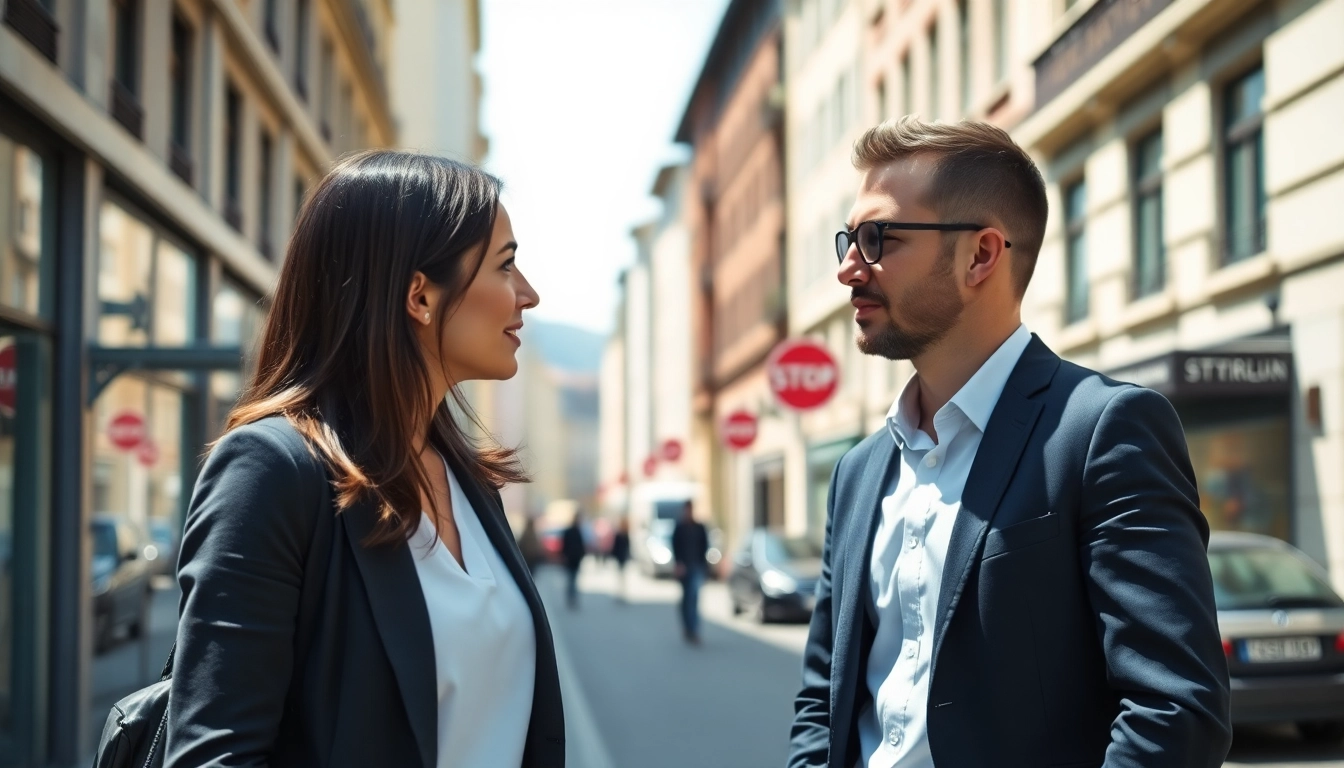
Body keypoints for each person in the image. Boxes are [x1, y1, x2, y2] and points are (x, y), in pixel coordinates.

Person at [787, 118, 1230, 768]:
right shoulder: (858, 471)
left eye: (878, 238)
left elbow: (1175, 710)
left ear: (981, 255)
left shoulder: (1103, 430)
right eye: (848, 240)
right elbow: (823, 698)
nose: (849, 269)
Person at [164, 151, 564, 767]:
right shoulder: (270, 472)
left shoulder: (469, 480)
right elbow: (215, 754)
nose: (528, 295)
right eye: (505, 266)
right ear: (420, 296)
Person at [671, 501, 709, 645]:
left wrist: (705, 567)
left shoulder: (699, 527)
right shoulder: (680, 527)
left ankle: (693, 630)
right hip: (684, 568)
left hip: (696, 567)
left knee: (694, 598)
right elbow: (675, 546)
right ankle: (687, 627)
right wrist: (678, 563)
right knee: (686, 599)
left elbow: (704, 546)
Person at [561, 510, 587, 609]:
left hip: (574, 559)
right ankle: (571, 598)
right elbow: (565, 546)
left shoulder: (576, 531)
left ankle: (572, 598)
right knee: (571, 580)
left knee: (573, 580)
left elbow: (581, 547)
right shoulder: (573, 531)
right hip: (571, 559)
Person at [610, 516, 631, 601]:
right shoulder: (621, 534)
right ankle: (620, 593)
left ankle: (621, 593)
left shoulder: (624, 534)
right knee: (621, 576)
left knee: (621, 576)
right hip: (621, 557)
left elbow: (627, 547)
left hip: (621, 557)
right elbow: (616, 547)